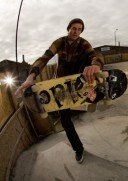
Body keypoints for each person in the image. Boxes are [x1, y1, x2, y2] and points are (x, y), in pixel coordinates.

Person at [15, 18, 104, 164]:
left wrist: (95, 65)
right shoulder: (59, 42)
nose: (76, 32)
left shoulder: (83, 43)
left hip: (78, 79)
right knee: (65, 119)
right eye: (73, 28)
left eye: (79, 29)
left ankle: (92, 94)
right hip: (61, 85)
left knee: (90, 58)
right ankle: (78, 149)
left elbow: (95, 55)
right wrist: (31, 77)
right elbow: (45, 58)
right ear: (68, 28)